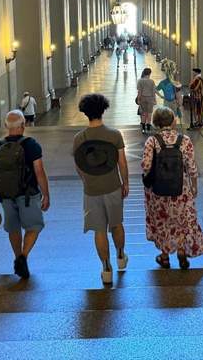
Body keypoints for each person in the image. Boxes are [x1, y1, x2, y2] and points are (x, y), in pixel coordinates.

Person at [0, 110, 51, 279]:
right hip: (28, 194)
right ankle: (23, 257)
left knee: (13, 228)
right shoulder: (31, 144)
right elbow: (39, 172)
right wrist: (46, 194)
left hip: (6, 195)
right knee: (34, 227)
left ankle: (17, 256)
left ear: (6, 126)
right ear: (23, 125)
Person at [73, 94, 130, 284]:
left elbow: (79, 167)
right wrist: (125, 182)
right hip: (113, 186)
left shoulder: (79, 138)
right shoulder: (114, 135)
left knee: (99, 230)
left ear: (85, 113)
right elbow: (122, 163)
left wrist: (87, 181)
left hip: (91, 190)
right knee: (116, 224)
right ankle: (121, 255)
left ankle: (106, 268)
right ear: (103, 110)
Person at [141, 106, 203, 269]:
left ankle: (164, 257)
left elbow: (146, 166)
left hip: (158, 191)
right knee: (182, 221)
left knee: (163, 222)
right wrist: (194, 187)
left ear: (156, 122)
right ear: (172, 121)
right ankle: (182, 254)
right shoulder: (184, 140)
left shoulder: (152, 141)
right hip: (181, 190)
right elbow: (192, 167)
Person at [137, 67, 157, 133]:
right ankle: (148, 128)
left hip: (142, 98)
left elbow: (139, 91)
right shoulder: (152, 81)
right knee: (149, 113)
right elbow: (153, 92)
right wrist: (154, 100)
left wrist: (138, 99)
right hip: (150, 98)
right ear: (149, 73)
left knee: (143, 113)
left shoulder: (140, 81)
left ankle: (143, 129)